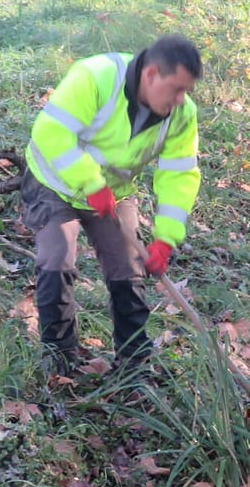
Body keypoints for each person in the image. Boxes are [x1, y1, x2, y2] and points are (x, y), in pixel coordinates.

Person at [22, 34, 202, 375]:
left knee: (128, 267)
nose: (181, 100)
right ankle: (60, 359)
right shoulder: (94, 76)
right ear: (151, 75)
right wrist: (89, 182)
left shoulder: (181, 115)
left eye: (186, 91)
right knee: (57, 257)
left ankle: (134, 361)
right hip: (54, 183)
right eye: (176, 89)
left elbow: (179, 176)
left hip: (113, 193)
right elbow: (50, 133)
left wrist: (166, 236)